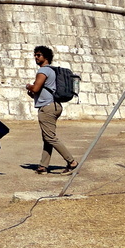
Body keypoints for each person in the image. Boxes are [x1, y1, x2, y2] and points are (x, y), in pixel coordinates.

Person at [25, 45, 78, 174]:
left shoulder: (43, 71)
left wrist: (29, 86)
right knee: (47, 137)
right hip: (55, 105)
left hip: (47, 108)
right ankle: (43, 166)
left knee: (50, 137)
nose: (36, 57)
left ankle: (71, 162)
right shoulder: (53, 71)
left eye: (38, 55)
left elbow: (36, 88)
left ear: (46, 57)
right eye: (35, 55)